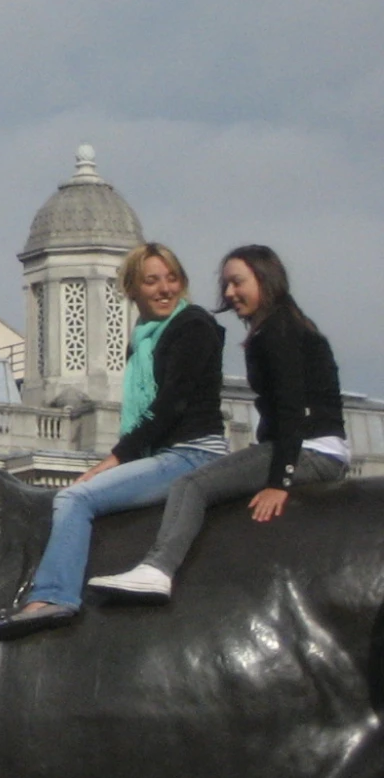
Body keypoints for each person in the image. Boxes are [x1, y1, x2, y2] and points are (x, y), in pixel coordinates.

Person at [0, 244, 227, 640]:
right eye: (152, 280)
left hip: (191, 455)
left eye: (172, 279)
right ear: (130, 289)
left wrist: (114, 459)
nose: (164, 289)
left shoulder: (193, 326)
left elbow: (171, 405)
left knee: (74, 497)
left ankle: (54, 595)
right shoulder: (144, 339)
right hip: (165, 452)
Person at [93, 245, 353, 600]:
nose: (229, 294)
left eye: (237, 283)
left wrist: (280, 480)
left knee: (191, 486)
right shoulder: (284, 325)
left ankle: (158, 568)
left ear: (266, 280)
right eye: (226, 285)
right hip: (313, 447)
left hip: (311, 450)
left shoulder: (277, 332)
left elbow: (292, 409)